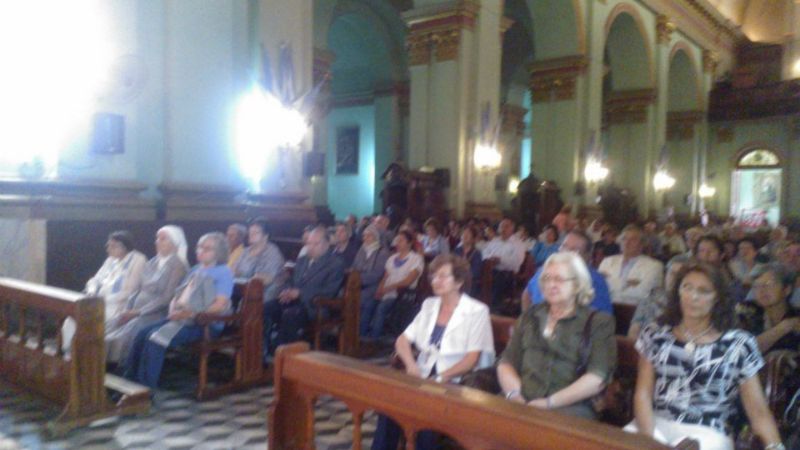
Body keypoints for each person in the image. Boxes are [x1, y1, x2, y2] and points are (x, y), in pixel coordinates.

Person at [629, 262, 783, 450]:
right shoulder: (655, 334)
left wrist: (776, 447)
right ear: (678, 292)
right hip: (654, 424)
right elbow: (643, 394)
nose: (693, 297)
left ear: (717, 298)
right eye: (687, 288)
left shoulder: (738, 344)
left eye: (704, 291)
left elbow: (758, 411)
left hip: (708, 432)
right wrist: (649, 439)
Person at [371, 254, 494, 450]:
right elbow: (403, 340)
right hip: (422, 375)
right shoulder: (429, 305)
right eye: (434, 276)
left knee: (427, 415)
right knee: (388, 409)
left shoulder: (476, 310)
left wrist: (440, 377)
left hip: (457, 381)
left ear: (459, 281)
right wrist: (411, 365)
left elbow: (472, 359)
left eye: (443, 276)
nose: (437, 281)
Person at [498, 252, 617, 419]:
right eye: (546, 279)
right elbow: (507, 362)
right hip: (521, 398)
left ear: (577, 285)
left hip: (570, 405)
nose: (551, 285)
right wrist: (515, 395)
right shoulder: (530, 316)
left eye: (559, 279)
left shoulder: (599, 322)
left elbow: (597, 377)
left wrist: (549, 403)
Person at [122, 232, 234, 389]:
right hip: (181, 318)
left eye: (207, 248)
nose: (201, 250)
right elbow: (179, 293)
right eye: (199, 247)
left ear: (219, 252)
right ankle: (129, 383)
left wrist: (191, 313)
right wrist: (173, 307)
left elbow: (220, 305)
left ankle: (146, 389)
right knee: (142, 334)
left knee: (156, 339)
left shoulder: (223, 272)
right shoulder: (196, 269)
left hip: (203, 323)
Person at [105, 225, 189, 364]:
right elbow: (138, 290)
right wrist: (127, 309)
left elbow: (166, 298)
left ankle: (120, 366)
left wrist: (137, 312)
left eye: (163, 239)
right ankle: (98, 361)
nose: (157, 241)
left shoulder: (178, 265)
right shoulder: (152, 262)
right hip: (135, 310)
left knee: (127, 332)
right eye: (157, 238)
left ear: (175, 243)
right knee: (111, 324)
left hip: (156, 313)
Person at [263, 226, 345, 354]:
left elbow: (330, 291)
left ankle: (282, 354)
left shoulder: (335, 264)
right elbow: (291, 281)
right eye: (309, 243)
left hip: (315, 306)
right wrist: (286, 291)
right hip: (293, 301)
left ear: (327, 244)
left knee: (290, 314)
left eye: (315, 244)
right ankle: (262, 349)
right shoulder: (302, 260)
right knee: (266, 308)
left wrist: (300, 293)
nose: (310, 247)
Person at [64, 231, 147, 349]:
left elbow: (131, 291)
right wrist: (92, 291)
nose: (108, 249)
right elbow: (95, 279)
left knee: (89, 322)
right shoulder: (110, 260)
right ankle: (69, 353)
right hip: (96, 301)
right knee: (71, 320)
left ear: (123, 247)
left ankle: (88, 355)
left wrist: (103, 299)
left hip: (118, 305)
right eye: (108, 245)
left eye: (112, 246)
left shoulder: (138, 260)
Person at [523, 229, 612, 315]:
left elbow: (602, 318)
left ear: (587, 256)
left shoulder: (595, 280)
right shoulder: (545, 270)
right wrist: (528, 321)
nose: (566, 252)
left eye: (574, 250)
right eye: (564, 246)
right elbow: (527, 294)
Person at [365, 230, 424, 339]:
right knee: (368, 302)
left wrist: (388, 289)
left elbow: (408, 281)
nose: (397, 243)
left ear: (409, 243)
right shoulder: (392, 258)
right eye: (397, 240)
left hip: (403, 293)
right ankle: (362, 335)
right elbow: (385, 277)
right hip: (387, 290)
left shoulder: (416, 259)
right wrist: (380, 289)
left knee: (382, 307)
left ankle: (374, 338)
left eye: (401, 240)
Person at [737, 263, 800, 354]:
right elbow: (742, 351)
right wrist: (784, 327)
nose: (762, 290)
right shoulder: (745, 310)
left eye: (769, 284)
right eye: (756, 286)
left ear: (787, 290)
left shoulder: (796, 316)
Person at [598, 225, 664, 306]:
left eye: (633, 239)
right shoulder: (607, 261)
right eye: (624, 238)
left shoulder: (654, 266)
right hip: (605, 309)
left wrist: (610, 281)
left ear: (642, 244)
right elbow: (598, 287)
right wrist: (626, 283)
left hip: (634, 313)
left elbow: (644, 293)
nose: (627, 242)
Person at [355, 225, 392, 337]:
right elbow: (355, 267)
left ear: (376, 237)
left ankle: (360, 334)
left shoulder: (382, 252)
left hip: (374, 285)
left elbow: (377, 274)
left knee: (362, 299)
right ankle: (349, 333)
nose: (365, 238)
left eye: (369, 235)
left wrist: (359, 280)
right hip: (357, 284)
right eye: (364, 235)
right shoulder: (362, 249)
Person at [482, 218, 526, 308]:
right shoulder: (494, 241)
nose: (503, 229)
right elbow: (484, 253)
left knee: (497, 281)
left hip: (508, 274)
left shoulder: (518, 244)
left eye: (506, 227)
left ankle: (494, 309)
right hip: (491, 271)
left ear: (512, 229)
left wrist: (500, 260)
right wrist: (490, 259)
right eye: (501, 227)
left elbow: (517, 262)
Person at [233, 219, 285, 286]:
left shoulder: (273, 252)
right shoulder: (245, 251)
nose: (251, 235)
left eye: (255, 232)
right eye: (250, 232)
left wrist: (250, 277)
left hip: (264, 291)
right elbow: (234, 269)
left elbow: (268, 279)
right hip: (241, 287)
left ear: (266, 236)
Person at [454, 225, 483, 299]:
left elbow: (476, 272)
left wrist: (462, 274)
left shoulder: (477, 253)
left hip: (470, 282)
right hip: (456, 279)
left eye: (468, 234)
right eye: (463, 234)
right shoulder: (457, 251)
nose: (465, 236)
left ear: (473, 239)